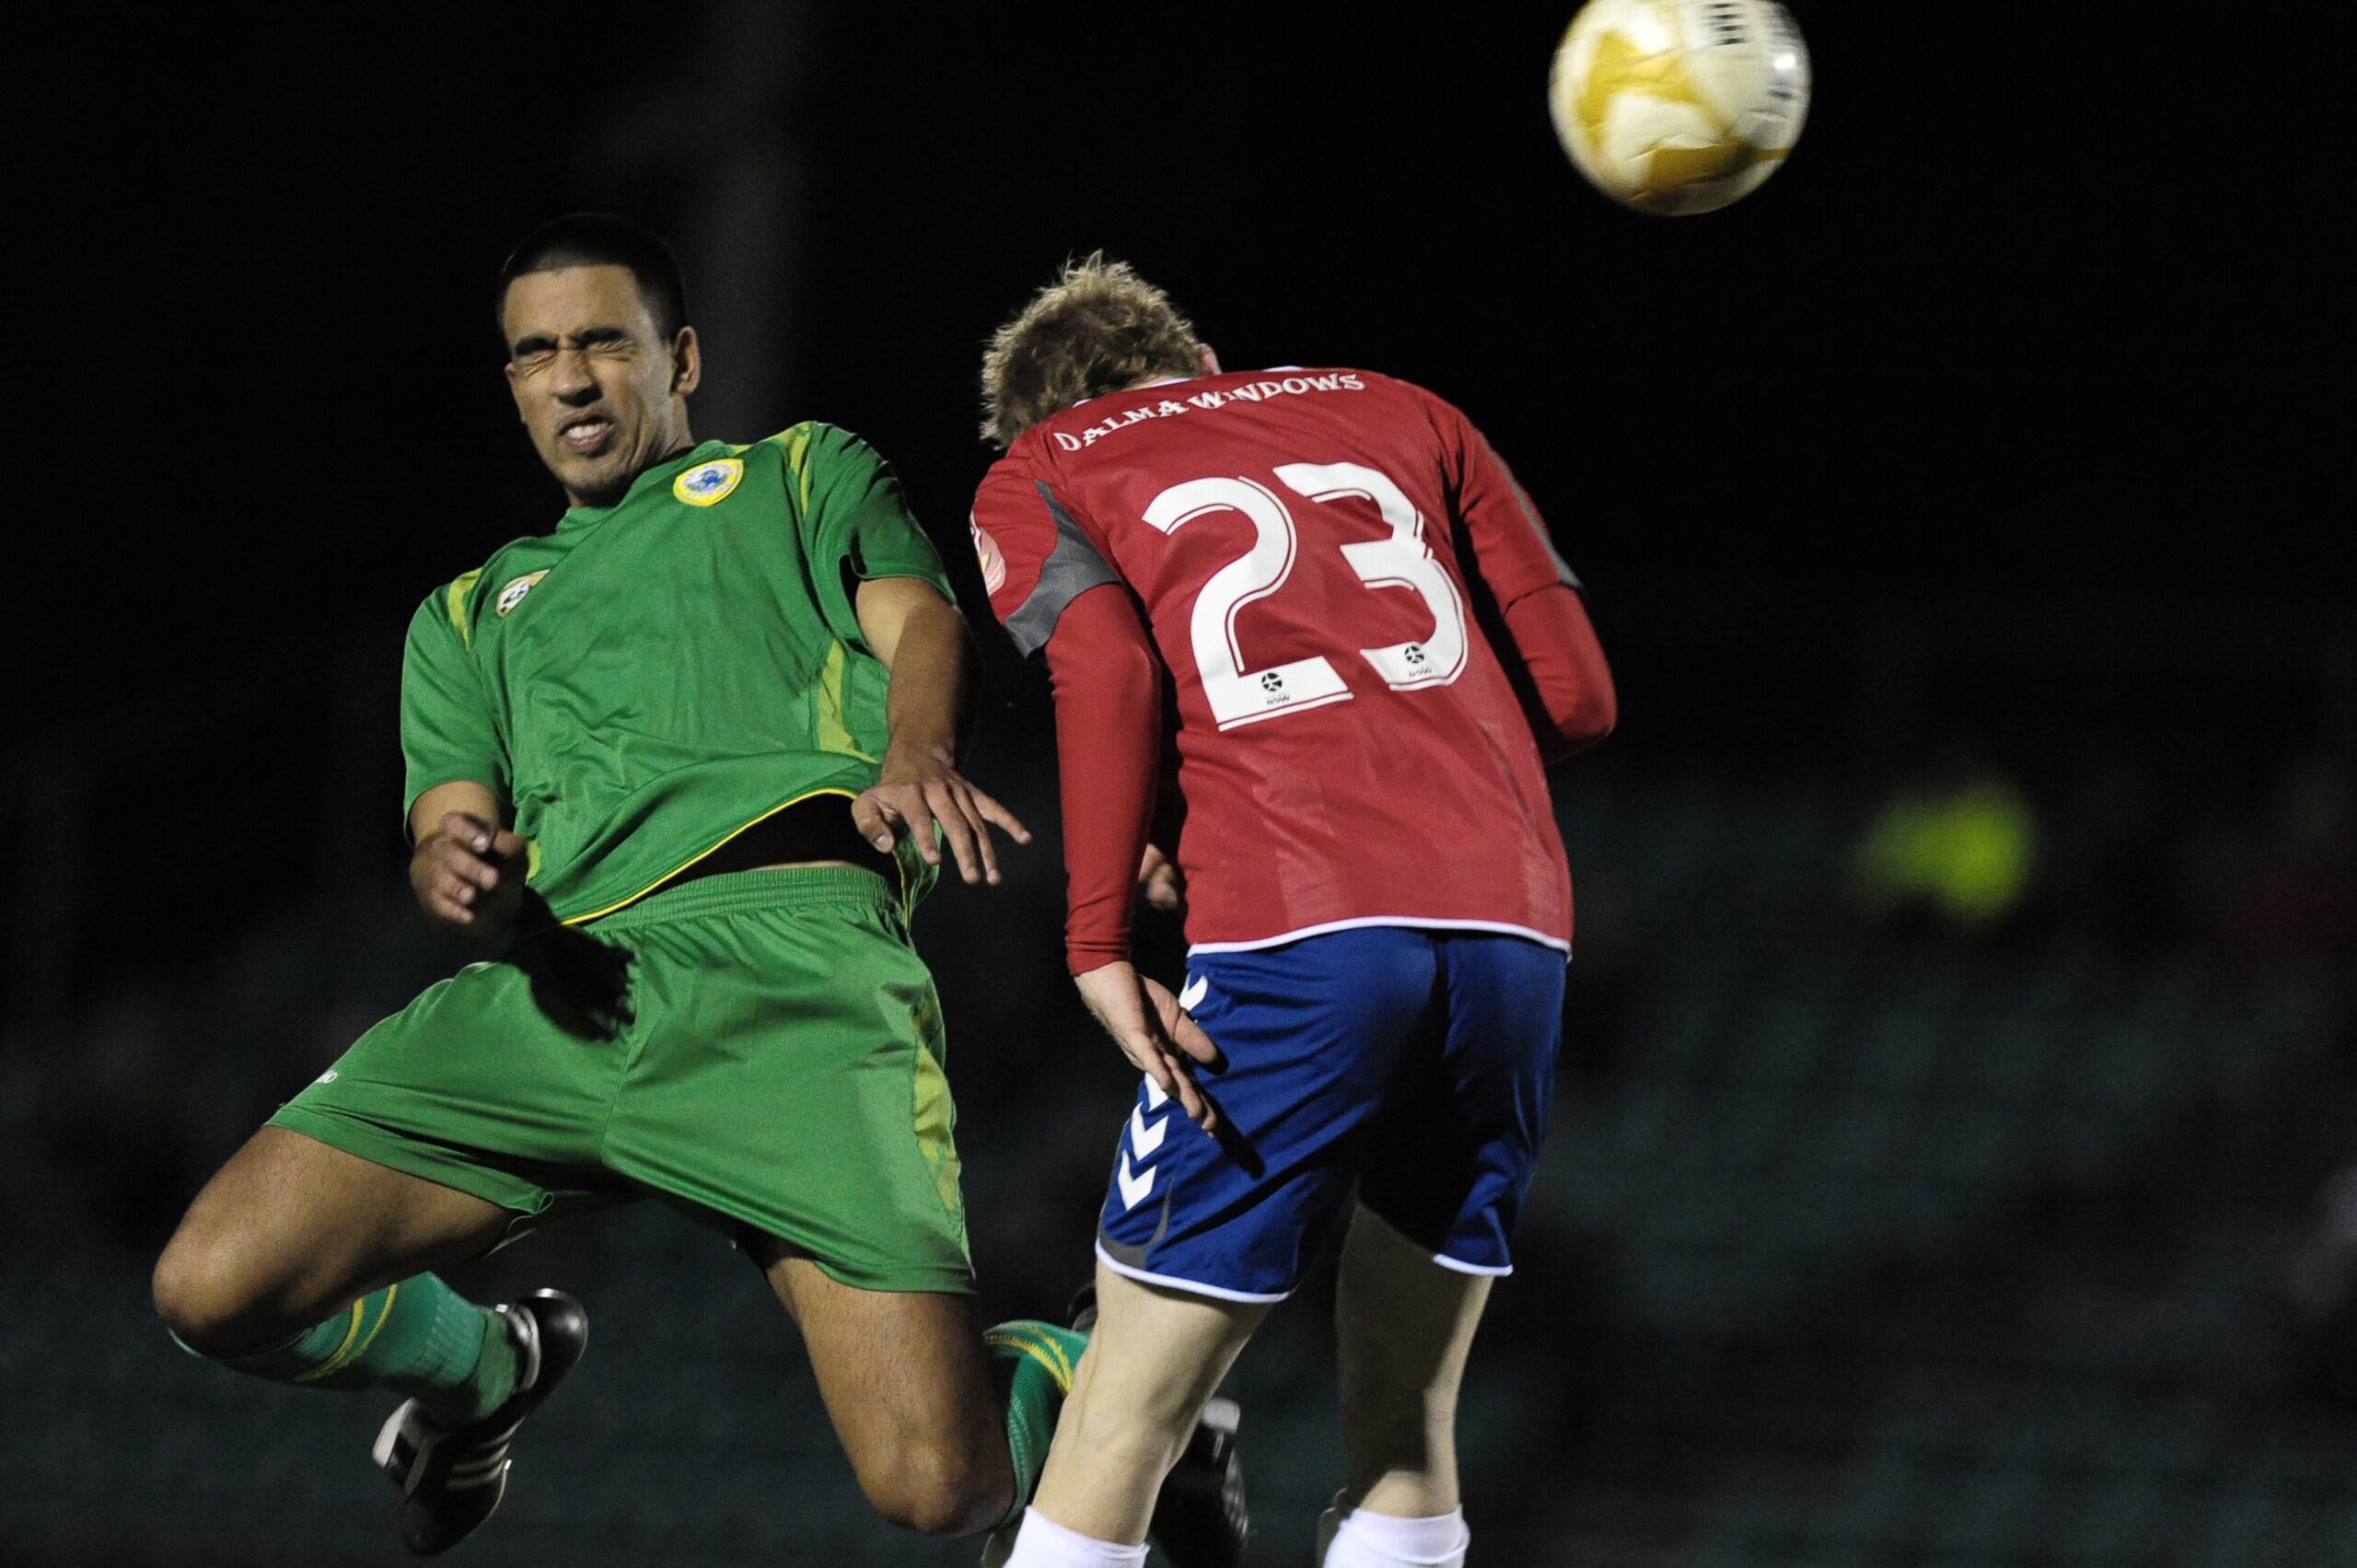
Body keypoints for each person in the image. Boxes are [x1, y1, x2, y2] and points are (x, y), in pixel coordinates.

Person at [150, 214, 1087, 1557]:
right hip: (559, 997)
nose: (572, 378)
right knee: (210, 1286)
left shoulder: (800, 474)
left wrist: (918, 749)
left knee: (942, 1489)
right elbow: (450, 827)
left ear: (681, 357)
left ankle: (1083, 1372)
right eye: (537, 354)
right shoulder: (465, 615)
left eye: (602, 341)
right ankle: (484, 1372)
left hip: (792, 980)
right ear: (513, 382)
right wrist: (455, 870)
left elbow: (925, 622)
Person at [967, 256, 1618, 1568]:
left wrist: (1096, 940)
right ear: (1203, 364)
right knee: (1409, 1427)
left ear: (1038, 415)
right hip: (1514, 928)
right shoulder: (1403, 406)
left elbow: (1110, 672)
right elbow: (1580, 698)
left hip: (1299, 935)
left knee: (1120, 1417)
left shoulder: (1043, 467)